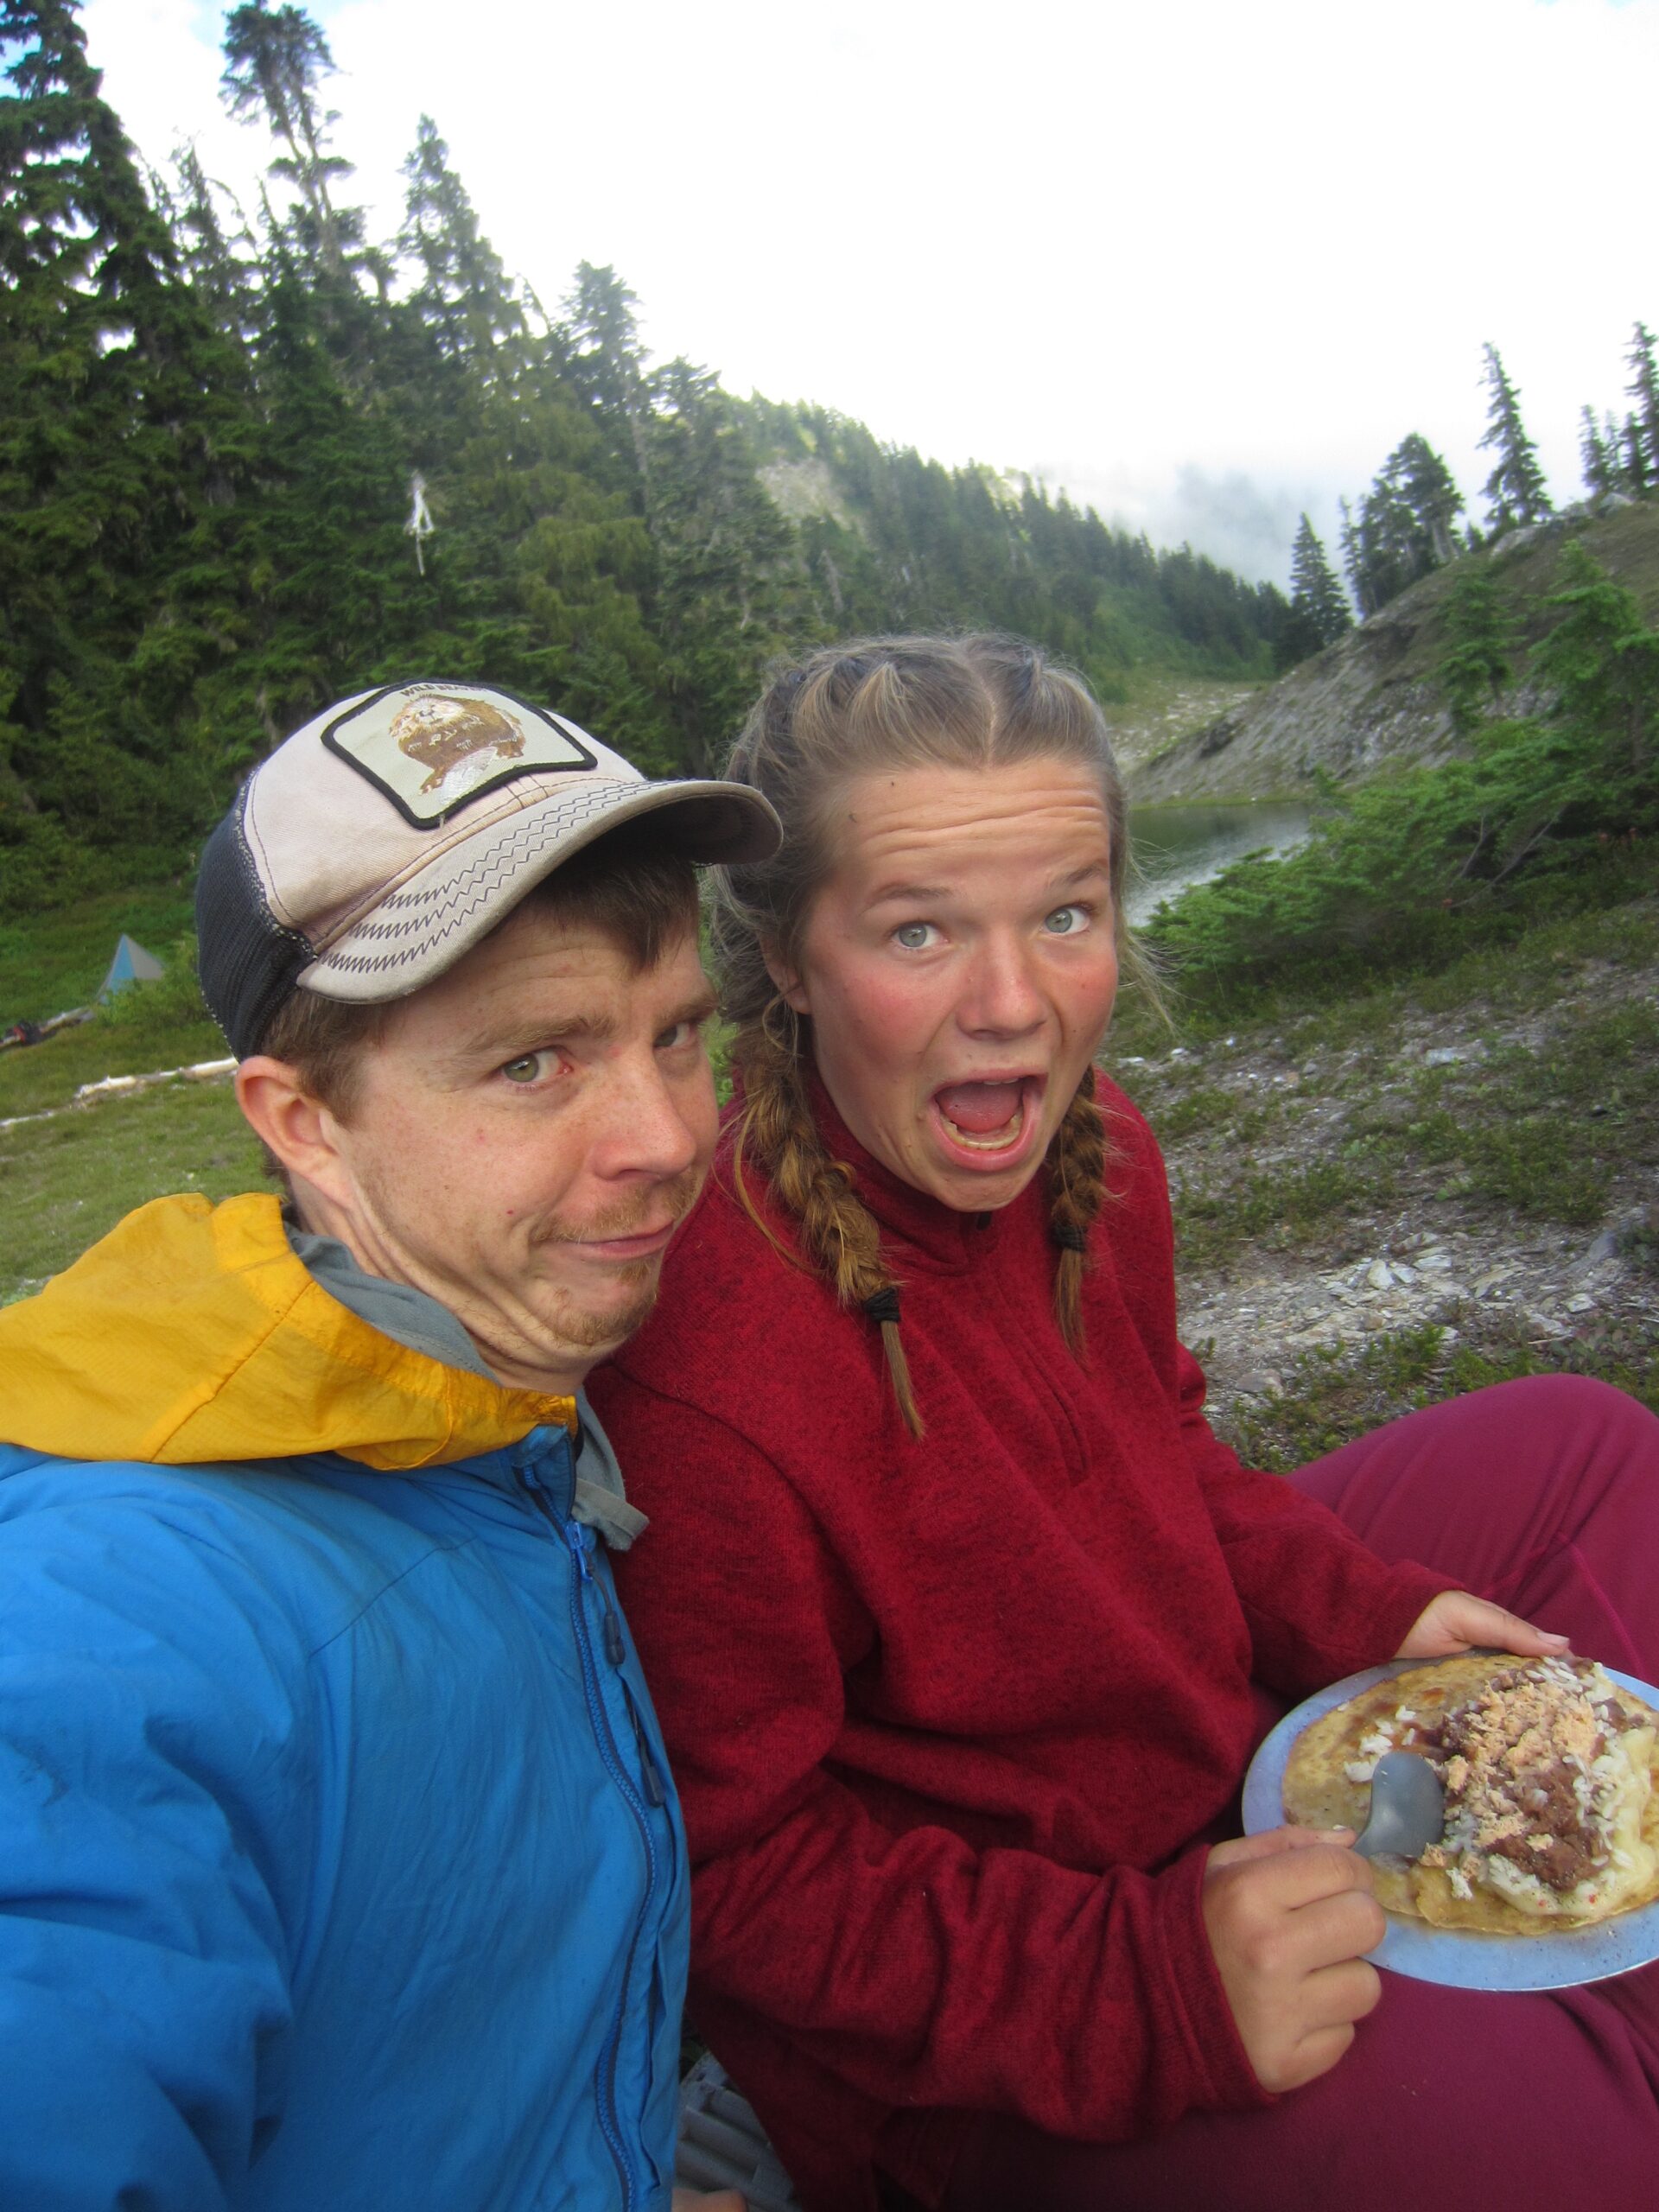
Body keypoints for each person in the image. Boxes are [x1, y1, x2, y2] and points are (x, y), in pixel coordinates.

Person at [588, 635, 1659, 2212]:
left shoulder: (1099, 1158)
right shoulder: (703, 1356)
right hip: (1039, 1982)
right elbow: (736, 1879)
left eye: (1066, 915)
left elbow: (1171, 1456)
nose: (1013, 1004)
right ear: (790, 961)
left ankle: (1588, 1962)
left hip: (1179, 1737)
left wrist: (1366, 1609)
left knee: (1585, 1446)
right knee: (1566, 2149)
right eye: (920, 929)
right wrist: (1144, 1986)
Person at [0, 680, 780, 2209]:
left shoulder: (479, 1381)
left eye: (678, 1032)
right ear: (299, 1122)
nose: (671, 1138)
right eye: (532, 1063)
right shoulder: (123, 1613)